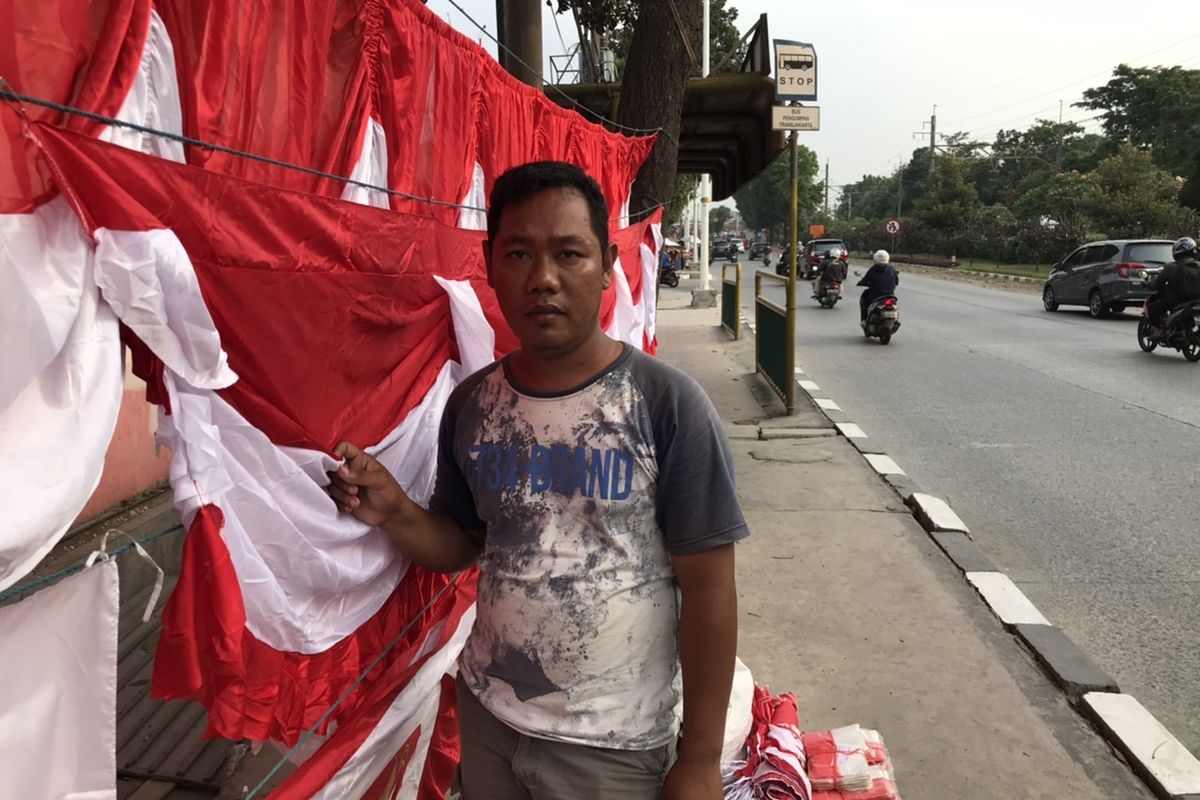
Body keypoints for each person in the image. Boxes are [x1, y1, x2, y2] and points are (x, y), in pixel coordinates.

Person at [327, 161, 747, 800]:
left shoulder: (664, 405)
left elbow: (711, 591)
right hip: (491, 719)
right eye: (519, 253)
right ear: (491, 264)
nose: (544, 278)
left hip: (613, 746)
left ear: (607, 264)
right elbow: (466, 545)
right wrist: (396, 512)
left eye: (569, 254)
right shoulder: (473, 405)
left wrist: (700, 760)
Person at [1146, 236, 1200, 335]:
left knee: (1153, 308)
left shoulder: (1171, 267)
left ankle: (1157, 330)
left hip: (1176, 301)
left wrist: (1147, 284)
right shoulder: (1198, 266)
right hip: (1196, 301)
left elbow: (1157, 284)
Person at [858, 249, 899, 323]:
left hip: (875, 296)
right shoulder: (892, 269)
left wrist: (861, 283)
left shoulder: (873, 269)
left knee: (865, 301)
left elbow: (865, 280)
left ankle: (865, 320)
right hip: (890, 296)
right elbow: (896, 282)